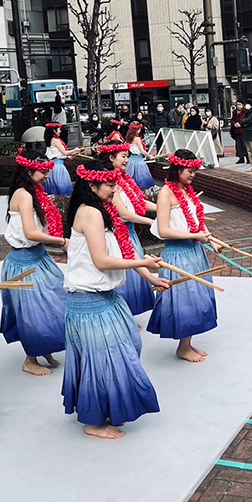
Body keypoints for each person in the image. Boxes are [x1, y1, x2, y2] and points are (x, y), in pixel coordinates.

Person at [62, 161, 164, 439]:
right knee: (103, 360)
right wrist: (143, 263)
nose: (115, 189)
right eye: (110, 184)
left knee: (129, 344)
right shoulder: (90, 214)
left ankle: (104, 407)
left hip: (107, 298)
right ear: (92, 186)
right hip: (88, 301)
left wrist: (149, 277)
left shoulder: (102, 212)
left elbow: (125, 252)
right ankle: (94, 421)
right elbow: (102, 261)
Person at [148, 151, 220, 363]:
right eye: (190, 171)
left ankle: (187, 343)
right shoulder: (165, 193)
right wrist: (195, 235)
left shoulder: (186, 190)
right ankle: (183, 347)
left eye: (195, 171)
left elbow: (197, 222)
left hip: (194, 250)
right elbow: (164, 230)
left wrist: (212, 241)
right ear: (178, 169)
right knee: (185, 299)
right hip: (177, 252)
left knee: (197, 296)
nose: (193, 175)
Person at [1, 150, 69, 376]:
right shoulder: (25, 195)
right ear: (28, 170)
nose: (47, 176)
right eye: (42, 172)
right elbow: (30, 233)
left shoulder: (35, 192)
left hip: (39, 257)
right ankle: (30, 359)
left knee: (56, 300)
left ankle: (45, 348)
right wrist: (61, 241)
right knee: (33, 313)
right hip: (24, 262)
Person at [101, 142, 162, 318]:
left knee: (135, 275)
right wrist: (150, 222)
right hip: (120, 233)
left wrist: (163, 208)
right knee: (126, 278)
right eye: (123, 156)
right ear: (111, 158)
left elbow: (139, 203)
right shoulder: (111, 185)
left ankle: (127, 315)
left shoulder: (124, 180)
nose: (127, 160)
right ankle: (122, 315)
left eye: (128, 156)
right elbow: (124, 214)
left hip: (131, 233)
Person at [44, 123, 80, 196]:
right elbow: (64, 152)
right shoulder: (55, 140)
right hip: (58, 167)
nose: (60, 131)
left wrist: (69, 155)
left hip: (55, 165)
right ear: (54, 130)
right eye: (59, 129)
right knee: (62, 186)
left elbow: (58, 153)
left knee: (56, 186)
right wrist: (74, 150)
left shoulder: (53, 140)